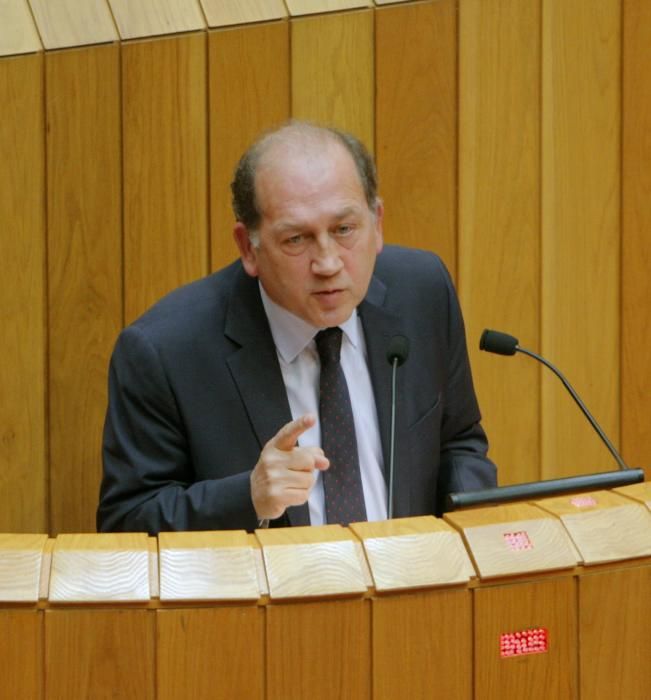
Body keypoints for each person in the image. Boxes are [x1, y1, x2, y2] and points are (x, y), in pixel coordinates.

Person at [97, 121, 496, 534]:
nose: (328, 263)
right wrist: (248, 497)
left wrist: (465, 538)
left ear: (376, 222)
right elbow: (127, 523)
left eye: (344, 230)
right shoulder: (165, 351)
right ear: (247, 247)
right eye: (296, 240)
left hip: (409, 586)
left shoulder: (422, 293)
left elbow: (459, 442)